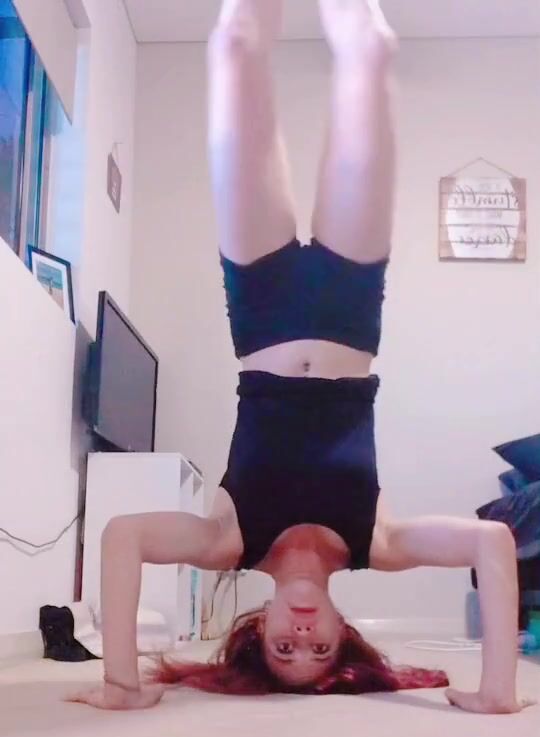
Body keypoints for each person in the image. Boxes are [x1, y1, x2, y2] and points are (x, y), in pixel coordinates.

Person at [69, 0, 531, 714]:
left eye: (283, 649)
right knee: (370, 49)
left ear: (259, 629)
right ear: (346, 633)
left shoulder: (230, 540)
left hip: (261, 304)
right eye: (320, 651)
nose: (303, 637)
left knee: (234, 43)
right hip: (351, 304)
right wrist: (497, 690)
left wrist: (122, 684)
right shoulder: (377, 541)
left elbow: (122, 535)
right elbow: (494, 541)